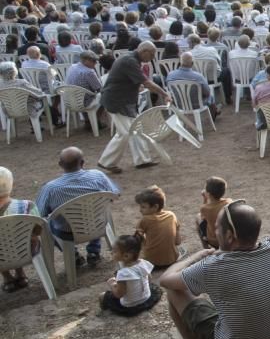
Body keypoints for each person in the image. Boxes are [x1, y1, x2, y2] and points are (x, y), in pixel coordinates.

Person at [160, 200, 270, 339]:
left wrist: (197, 256)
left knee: (174, 291)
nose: (215, 232)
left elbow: (165, 280)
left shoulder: (211, 267)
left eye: (216, 228)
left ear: (229, 236)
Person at [36, 147, 120, 266]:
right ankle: (94, 251)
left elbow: (39, 213)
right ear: (82, 163)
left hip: (67, 232)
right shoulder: (98, 176)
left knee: (47, 224)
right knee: (94, 213)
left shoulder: (50, 188)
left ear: (60, 164)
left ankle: (73, 255)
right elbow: (115, 194)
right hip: (97, 225)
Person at [97, 42, 171, 173]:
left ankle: (142, 159)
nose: (153, 57)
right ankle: (106, 162)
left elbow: (137, 81)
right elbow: (147, 82)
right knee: (125, 133)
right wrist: (164, 94)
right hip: (117, 101)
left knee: (136, 129)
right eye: (152, 54)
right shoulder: (130, 61)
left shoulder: (131, 59)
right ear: (144, 51)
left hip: (122, 100)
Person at [99, 232, 162, 316]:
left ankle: (105, 311)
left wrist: (112, 285)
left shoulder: (123, 273)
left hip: (130, 306)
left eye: (114, 251)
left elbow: (119, 294)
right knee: (152, 287)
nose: (111, 253)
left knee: (102, 296)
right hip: (147, 298)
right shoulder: (143, 263)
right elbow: (149, 279)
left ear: (126, 256)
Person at [0, 167, 41, 293]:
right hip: (26, 252)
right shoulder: (28, 205)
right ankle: (20, 273)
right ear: (11, 184)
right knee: (26, 238)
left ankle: (7, 278)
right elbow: (38, 230)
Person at [134, 185, 181, 268]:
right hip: (172, 260)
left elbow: (137, 242)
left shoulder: (145, 220)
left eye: (143, 207)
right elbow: (178, 242)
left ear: (155, 206)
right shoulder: (171, 215)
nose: (140, 210)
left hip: (151, 263)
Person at [197, 177, 231, 249]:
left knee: (198, 217)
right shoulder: (229, 202)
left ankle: (205, 247)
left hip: (215, 242)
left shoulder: (204, 208)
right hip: (229, 239)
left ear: (208, 194)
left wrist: (205, 199)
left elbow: (203, 217)